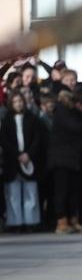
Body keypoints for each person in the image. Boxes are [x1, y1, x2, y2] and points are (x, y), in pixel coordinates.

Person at [49, 87, 82, 234]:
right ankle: (61, 222)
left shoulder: (79, 114)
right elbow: (75, 128)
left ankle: (73, 220)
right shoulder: (62, 110)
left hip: (75, 159)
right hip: (61, 158)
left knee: (74, 191)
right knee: (61, 191)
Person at [1, 91, 42, 233]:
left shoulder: (32, 118)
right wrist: (17, 155)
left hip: (29, 160)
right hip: (13, 162)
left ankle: (31, 222)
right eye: (15, 101)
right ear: (11, 103)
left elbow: (37, 139)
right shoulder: (7, 120)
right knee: (13, 194)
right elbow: (5, 141)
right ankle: (16, 223)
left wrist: (28, 154)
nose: (18, 104)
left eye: (20, 101)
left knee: (30, 193)